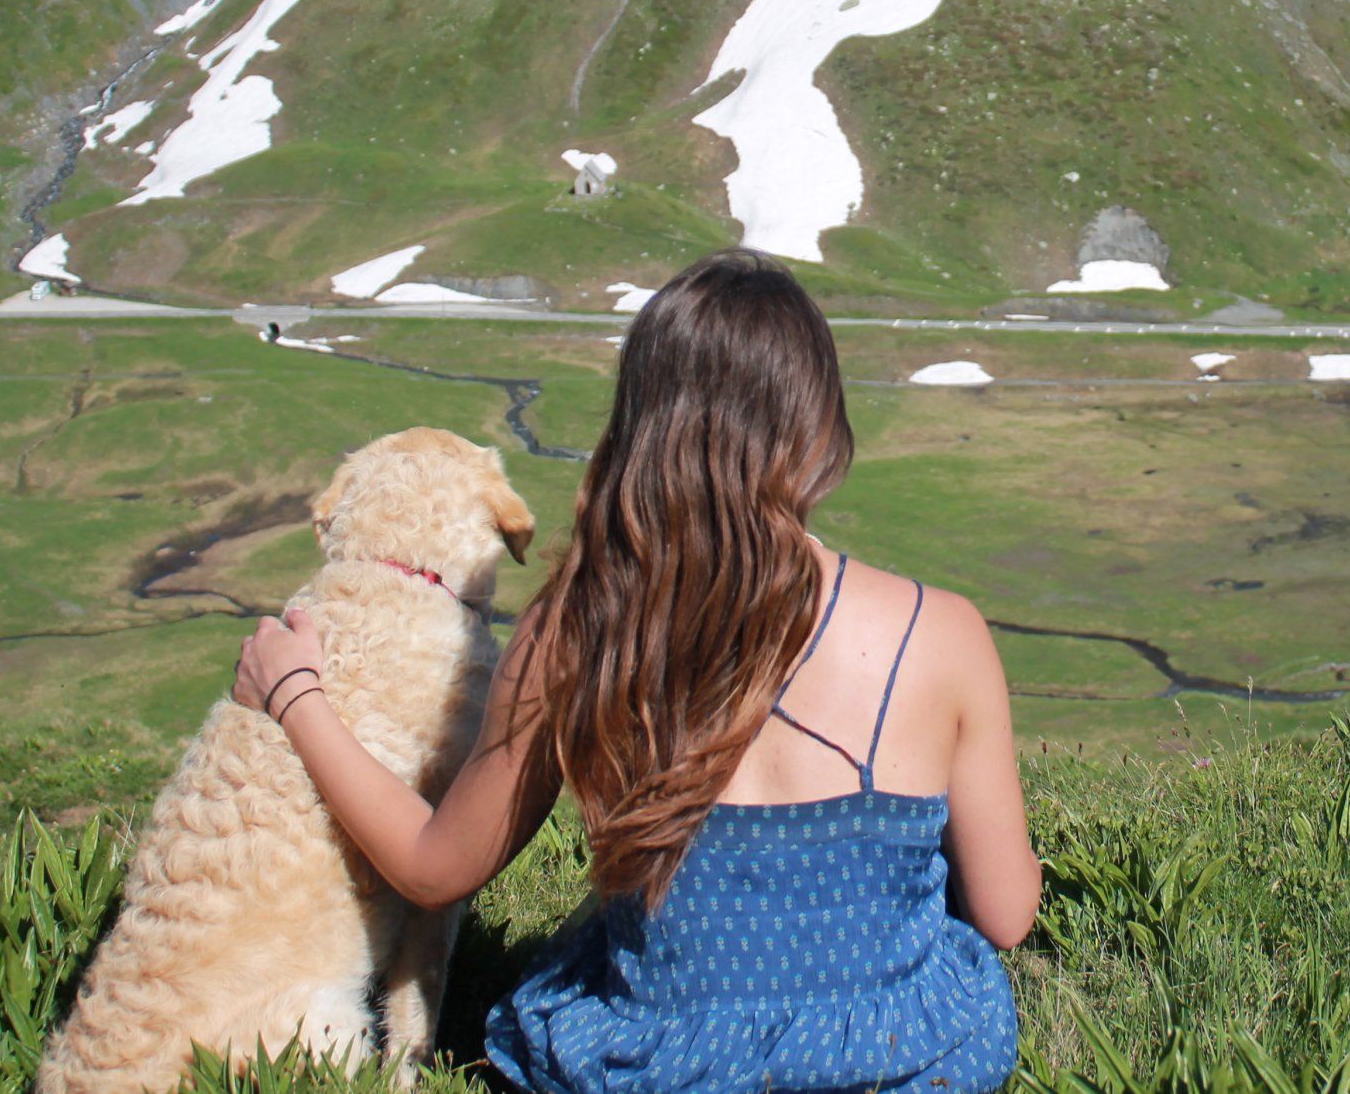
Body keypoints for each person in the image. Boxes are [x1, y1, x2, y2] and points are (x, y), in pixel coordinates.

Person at [233, 249, 1039, 1094]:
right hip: (899, 1066)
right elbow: (1007, 914)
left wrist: (297, 695)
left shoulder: (582, 628)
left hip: (656, 1067)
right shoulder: (942, 632)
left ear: (642, 423)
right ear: (814, 424)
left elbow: (435, 866)